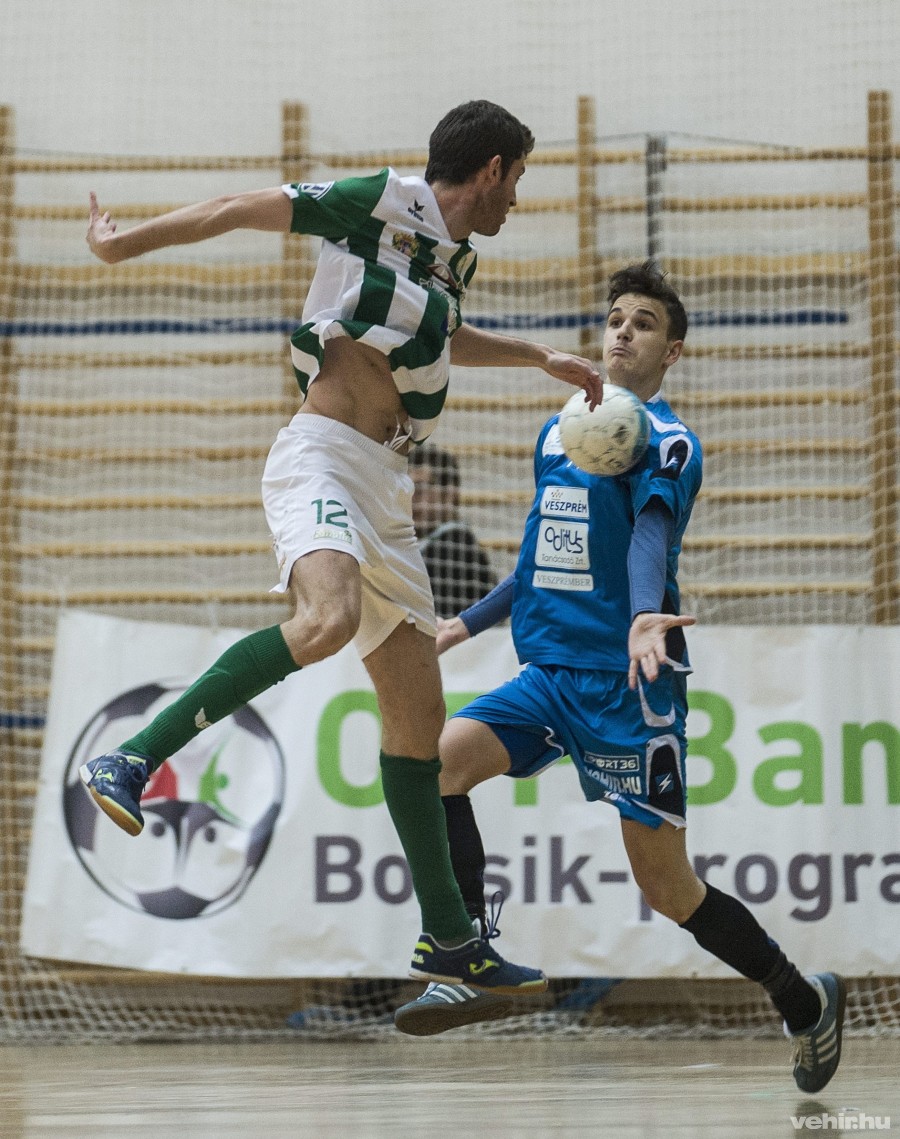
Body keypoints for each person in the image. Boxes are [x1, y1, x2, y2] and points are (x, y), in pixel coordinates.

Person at [78, 100, 602, 993]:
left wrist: (538, 357)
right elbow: (235, 209)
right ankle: (132, 756)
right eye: (518, 179)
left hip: (389, 488)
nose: (518, 198)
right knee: (327, 618)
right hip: (320, 457)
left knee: (419, 722)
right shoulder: (378, 199)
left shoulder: (454, 259)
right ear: (491, 169)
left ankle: (448, 938)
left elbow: (442, 340)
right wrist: (122, 246)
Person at [393, 263, 845, 1096]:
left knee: (668, 887)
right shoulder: (557, 433)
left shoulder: (669, 442)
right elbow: (539, 558)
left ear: (672, 350)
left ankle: (800, 996)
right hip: (549, 676)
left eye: (642, 323)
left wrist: (644, 613)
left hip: (631, 689)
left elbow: (651, 531)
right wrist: (467, 623)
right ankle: (465, 951)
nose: (622, 331)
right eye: (614, 318)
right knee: (434, 765)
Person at [409, 445, 496, 618]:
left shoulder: (457, 547)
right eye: (406, 488)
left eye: (418, 489)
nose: (410, 498)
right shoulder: (423, 544)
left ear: (449, 494)